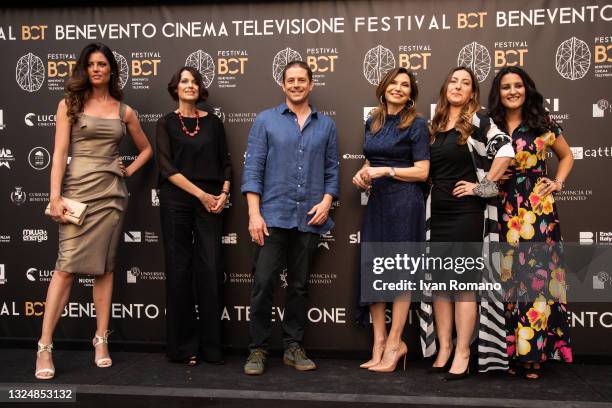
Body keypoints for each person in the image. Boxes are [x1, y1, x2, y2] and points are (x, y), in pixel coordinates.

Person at [35, 42, 152, 380]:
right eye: (91, 64)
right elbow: (59, 154)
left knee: (105, 269)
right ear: (84, 69)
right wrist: (55, 197)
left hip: (111, 196)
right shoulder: (69, 104)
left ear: (111, 69)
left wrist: (126, 170)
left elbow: (145, 150)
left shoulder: (123, 111)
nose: (97, 69)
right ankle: (44, 346)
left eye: (102, 64)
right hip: (77, 194)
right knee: (66, 269)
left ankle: (101, 340)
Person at [241, 60, 339, 375]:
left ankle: (293, 347)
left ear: (311, 85)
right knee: (263, 283)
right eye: (290, 80)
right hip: (271, 216)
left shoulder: (326, 125)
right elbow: (252, 170)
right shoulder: (265, 121)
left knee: (298, 286)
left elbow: (332, 170)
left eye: (302, 80)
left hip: (309, 217)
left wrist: (326, 202)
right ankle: (257, 349)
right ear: (283, 85)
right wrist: (254, 214)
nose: (296, 85)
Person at [419, 66, 513, 380]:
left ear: (472, 93)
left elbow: (506, 150)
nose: (458, 86)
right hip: (438, 214)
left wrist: (482, 186)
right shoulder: (434, 125)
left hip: (466, 214)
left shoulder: (478, 122)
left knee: (461, 287)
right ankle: (444, 349)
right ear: (445, 87)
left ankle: (463, 351)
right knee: (441, 286)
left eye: (466, 83)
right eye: (453, 81)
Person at [488, 66, 574, 379]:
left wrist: (558, 182)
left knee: (536, 278)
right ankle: (508, 354)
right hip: (501, 204)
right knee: (507, 279)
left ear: (527, 89)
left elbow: (567, 156)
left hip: (537, 208)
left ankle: (534, 354)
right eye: (506, 86)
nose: (512, 91)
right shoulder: (490, 124)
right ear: (498, 92)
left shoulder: (542, 123)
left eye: (518, 85)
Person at [353, 68, 429, 372]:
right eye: (394, 83)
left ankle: (396, 343)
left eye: (405, 85)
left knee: (398, 272)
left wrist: (386, 171)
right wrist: (363, 172)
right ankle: (379, 342)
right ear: (383, 88)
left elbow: (423, 171)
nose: (398, 88)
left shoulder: (417, 124)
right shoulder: (373, 120)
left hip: (405, 203)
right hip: (378, 203)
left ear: (410, 94)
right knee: (375, 270)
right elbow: (371, 159)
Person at [155, 66, 232, 365]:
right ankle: (183, 347)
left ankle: (212, 349)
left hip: (212, 201)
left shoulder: (214, 123)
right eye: (184, 81)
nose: (190, 86)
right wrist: (199, 194)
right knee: (178, 270)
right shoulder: (165, 123)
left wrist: (223, 193)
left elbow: (226, 162)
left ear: (201, 89)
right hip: (177, 199)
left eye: (195, 82)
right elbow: (166, 167)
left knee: (211, 269)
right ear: (175, 88)